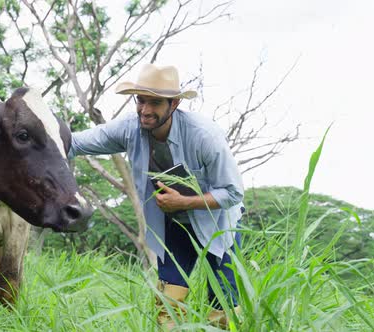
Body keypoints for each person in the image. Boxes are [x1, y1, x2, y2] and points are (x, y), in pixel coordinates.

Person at [68, 63, 244, 328]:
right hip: (174, 225)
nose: (146, 110)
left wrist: (184, 202)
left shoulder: (204, 136)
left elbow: (233, 192)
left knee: (223, 304)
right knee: (168, 303)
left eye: (155, 103)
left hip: (218, 224)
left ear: (173, 105)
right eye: (141, 101)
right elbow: (76, 142)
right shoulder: (130, 128)